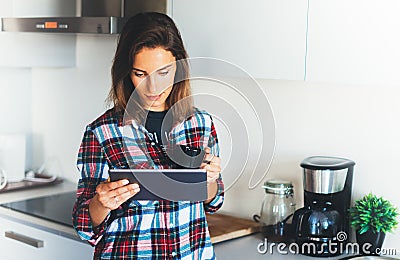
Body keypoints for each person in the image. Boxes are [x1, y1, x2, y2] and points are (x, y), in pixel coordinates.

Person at [72, 12, 224, 259]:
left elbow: (213, 202)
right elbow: (85, 227)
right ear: (126, 72)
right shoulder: (101, 132)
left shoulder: (201, 123)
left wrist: (208, 180)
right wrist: (102, 203)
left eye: (163, 73)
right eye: (140, 74)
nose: (153, 88)